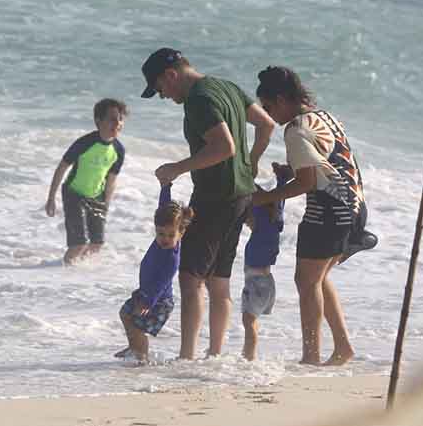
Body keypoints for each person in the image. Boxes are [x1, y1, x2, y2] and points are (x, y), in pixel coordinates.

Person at [140, 48, 275, 359]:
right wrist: (251, 162)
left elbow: (224, 147)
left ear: (170, 75)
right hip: (241, 195)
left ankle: (187, 356)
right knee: (219, 280)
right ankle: (214, 354)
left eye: (160, 89)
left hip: (214, 195)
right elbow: (266, 124)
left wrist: (176, 168)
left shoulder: (198, 99)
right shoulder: (227, 86)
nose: (163, 96)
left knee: (190, 279)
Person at [251, 66, 377, 367]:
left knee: (306, 281)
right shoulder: (324, 117)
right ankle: (343, 347)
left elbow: (307, 183)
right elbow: (328, 164)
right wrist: (290, 172)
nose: (269, 115)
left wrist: (262, 198)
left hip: (328, 211)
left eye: (268, 107)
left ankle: (311, 356)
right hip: (354, 206)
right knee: (317, 279)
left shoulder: (295, 129)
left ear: (281, 99)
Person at [116, 184, 194, 363]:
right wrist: (165, 186)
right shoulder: (162, 238)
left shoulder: (171, 258)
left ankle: (142, 359)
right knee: (125, 314)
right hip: (146, 294)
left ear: (181, 233)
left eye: (170, 235)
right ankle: (134, 347)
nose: (165, 239)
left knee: (137, 328)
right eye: (160, 233)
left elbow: (162, 282)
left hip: (158, 301)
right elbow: (163, 207)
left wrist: (148, 302)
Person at [45, 98, 126, 265]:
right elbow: (62, 168)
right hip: (74, 193)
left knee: (96, 244)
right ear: (98, 121)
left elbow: (111, 180)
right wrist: (51, 198)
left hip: (97, 196)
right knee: (78, 244)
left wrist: (106, 205)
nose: (117, 123)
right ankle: (62, 272)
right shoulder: (85, 143)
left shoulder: (118, 150)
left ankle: (78, 274)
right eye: (112, 118)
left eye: (120, 119)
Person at [241, 163, 292, 361]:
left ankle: (249, 358)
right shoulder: (273, 224)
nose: (247, 223)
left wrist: (246, 177)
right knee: (250, 321)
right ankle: (248, 356)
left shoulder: (265, 226)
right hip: (263, 281)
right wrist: (282, 180)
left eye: (248, 218)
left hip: (258, 283)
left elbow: (262, 200)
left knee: (249, 321)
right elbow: (278, 203)